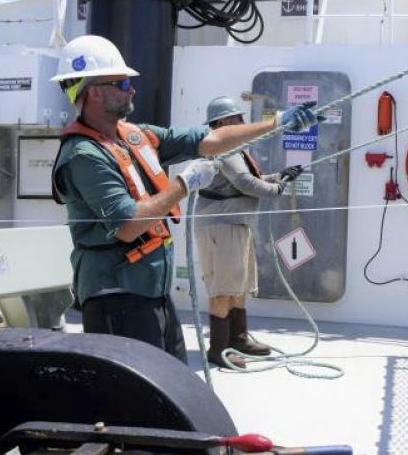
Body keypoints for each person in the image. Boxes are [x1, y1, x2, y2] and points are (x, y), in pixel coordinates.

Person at [49, 35, 321, 363]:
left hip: (151, 292)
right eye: (122, 82)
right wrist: (185, 183)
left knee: (169, 386)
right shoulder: (84, 155)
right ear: (94, 91)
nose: (131, 89)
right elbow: (127, 224)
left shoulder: (136, 136)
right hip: (117, 298)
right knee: (134, 401)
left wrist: (278, 123)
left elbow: (212, 139)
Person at [194, 96, 303, 367]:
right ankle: (219, 349)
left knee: (238, 284)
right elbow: (244, 183)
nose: (242, 122)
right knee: (222, 288)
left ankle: (238, 339)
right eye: (236, 118)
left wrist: (279, 176)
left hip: (234, 223)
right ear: (221, 123)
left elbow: (246, 180)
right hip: (221, 225)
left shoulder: (233, 148)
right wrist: (277, 189)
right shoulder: (224, 149)